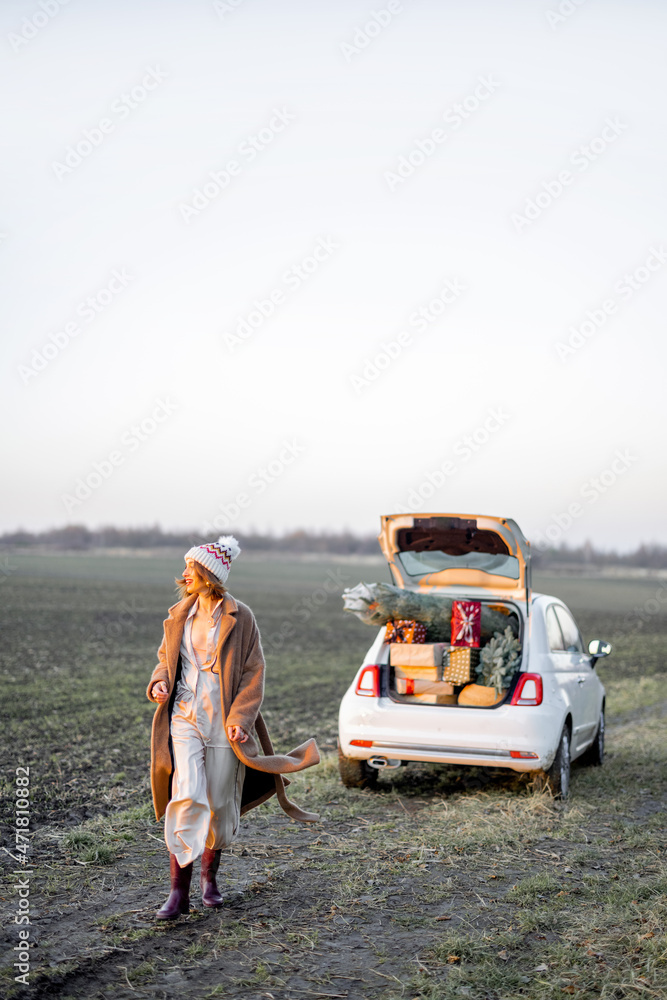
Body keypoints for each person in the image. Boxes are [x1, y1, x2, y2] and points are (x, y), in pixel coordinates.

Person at [147, 535, 320, 919]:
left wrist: (240, 719)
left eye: (189, 568)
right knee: (188, 793)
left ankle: (210, 879)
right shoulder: (179, 614)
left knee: (220, 804)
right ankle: (179, 892)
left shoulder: (241, 617)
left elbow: (253, 673)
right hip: (184, 716)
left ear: (208, 574)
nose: (183, 574)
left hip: (224, 722)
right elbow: (165, 658)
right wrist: (160, 680)